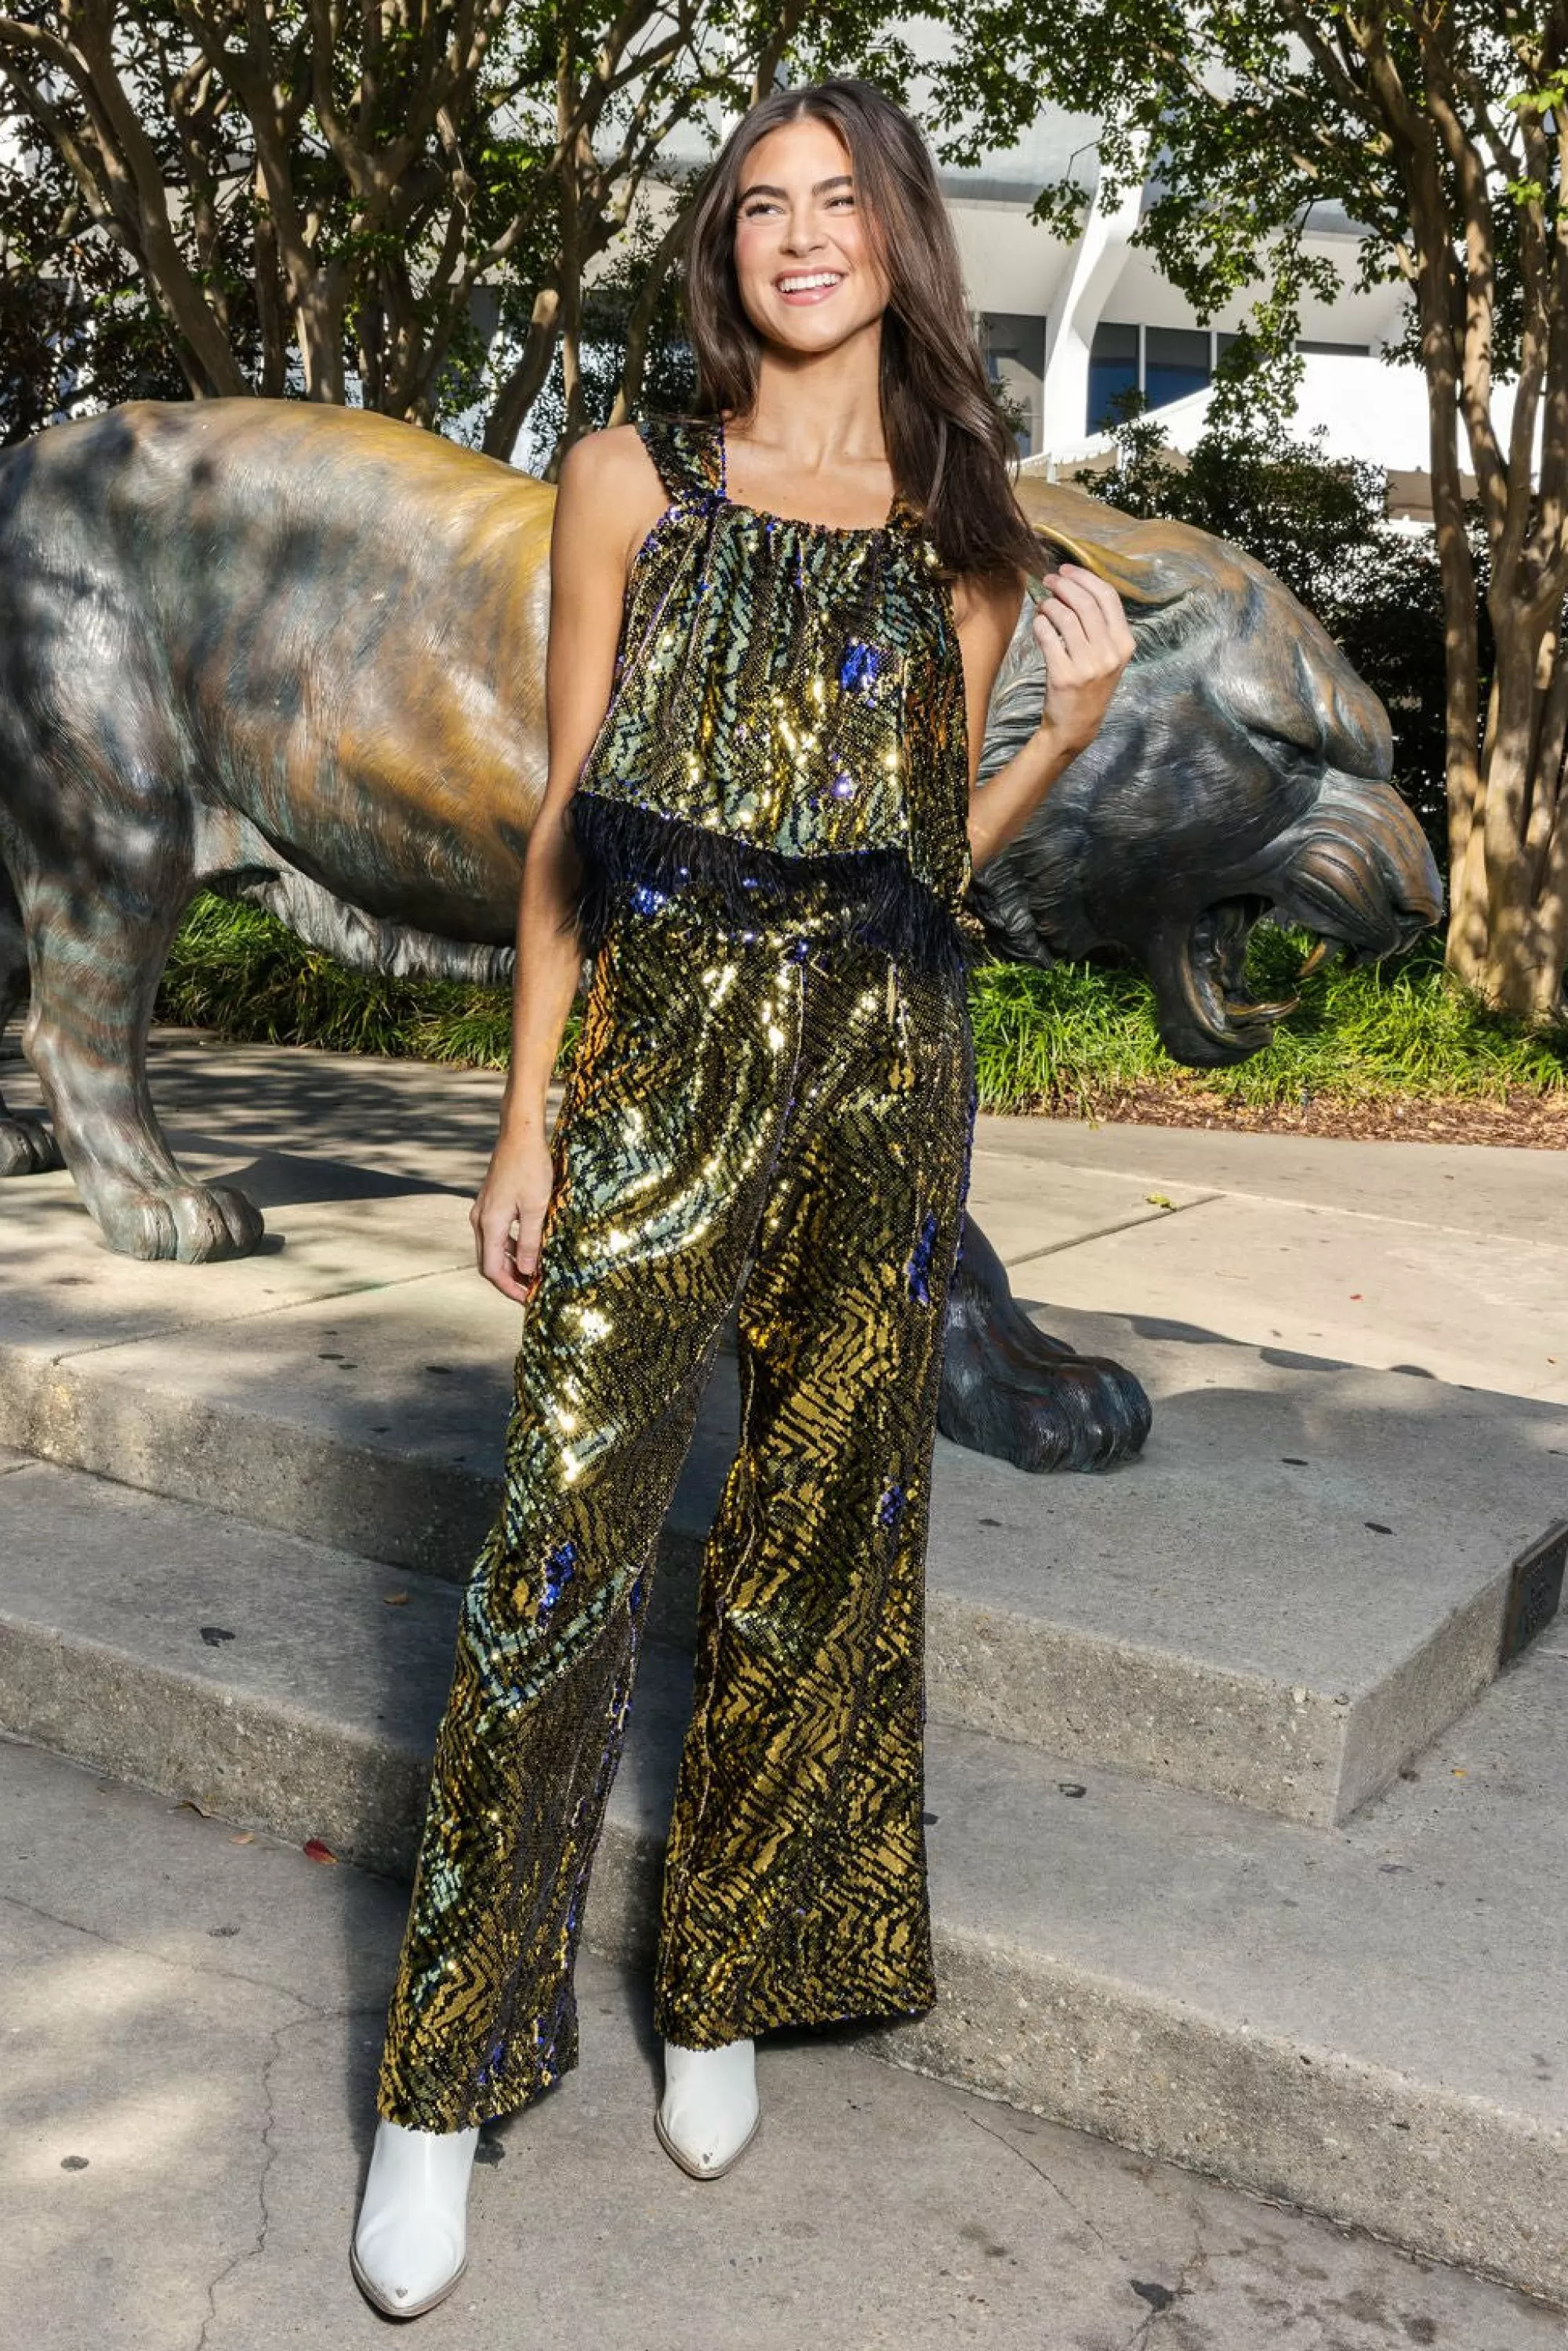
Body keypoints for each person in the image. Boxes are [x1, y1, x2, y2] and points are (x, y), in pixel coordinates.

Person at [350, 74, 1134, 2318]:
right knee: (558, 1547)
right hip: (662, 1058)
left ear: (899, 234)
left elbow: (924, 877)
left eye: (839, 199)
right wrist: (527, 1122)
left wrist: (1057, 740)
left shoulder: (969, 539)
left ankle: (722, 1985)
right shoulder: (631, 479)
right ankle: (442, 2077)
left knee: (821, 1538)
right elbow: (564, 831)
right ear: (734, 249)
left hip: (881, 1075)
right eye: (763, 204)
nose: (803, 234)